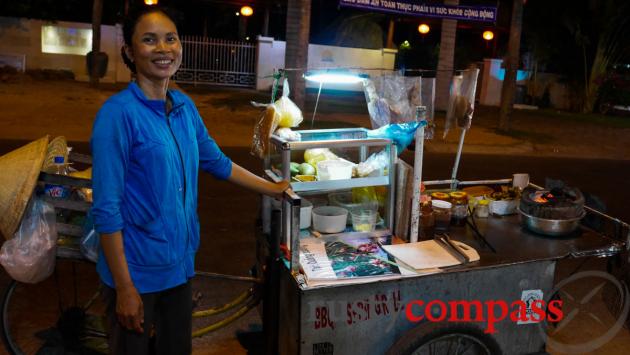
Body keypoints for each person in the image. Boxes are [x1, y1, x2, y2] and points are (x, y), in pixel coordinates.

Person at [90, 6, 289, 354]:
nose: (163, 49)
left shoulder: (183, 106)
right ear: (129, 52)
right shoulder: (118, 114)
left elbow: (217, 162)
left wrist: (274, 188)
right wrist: (124, 288)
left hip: (179, 267)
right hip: (136, 271)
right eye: (149, 40)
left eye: (170, 39)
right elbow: (106, 209)